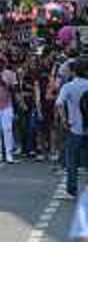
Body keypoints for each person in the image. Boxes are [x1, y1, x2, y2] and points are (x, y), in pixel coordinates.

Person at [56, 57, 88, 198]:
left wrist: (64, 119)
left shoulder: (68, 86)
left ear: (73, 71)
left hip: (75, 127)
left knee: (72, 160)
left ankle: (71, 190)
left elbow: (59, 103)